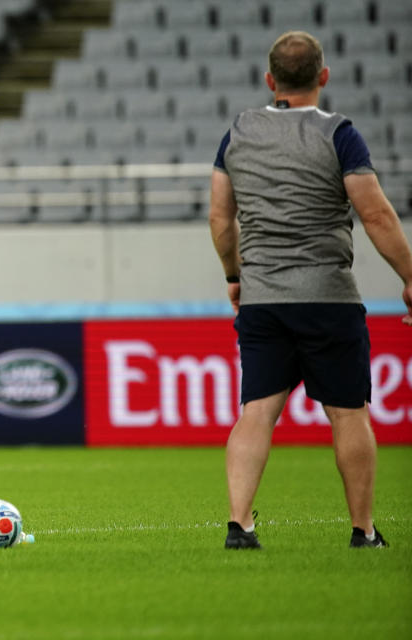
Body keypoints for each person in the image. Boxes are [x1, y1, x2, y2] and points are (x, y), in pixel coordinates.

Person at [208, 31, 412, 549]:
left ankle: (239, 525)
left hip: (263, 299)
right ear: (323, 76)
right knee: (348, 412)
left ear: (269, 79)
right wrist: (410, 277)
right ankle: (363, 530)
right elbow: (375, 213)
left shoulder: (238, 132)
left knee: (257, 411)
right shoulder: (340, 134)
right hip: (328, 297)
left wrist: (235, 275)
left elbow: (220, 217)